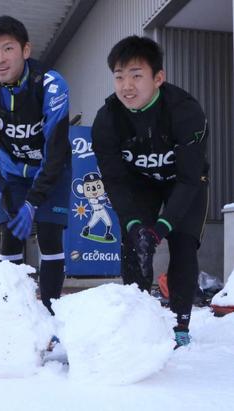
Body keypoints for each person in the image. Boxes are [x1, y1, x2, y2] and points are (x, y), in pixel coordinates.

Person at [92, 35, 209, 347]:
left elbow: (188, 179)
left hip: (182, 181)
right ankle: (137, 321)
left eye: (136, 75)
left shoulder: (185, 112)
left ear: (158, 77)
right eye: (119, 77)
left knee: (183, 243)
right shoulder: (106, 120)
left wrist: (161, 228)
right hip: (138, 182)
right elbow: (115, 180)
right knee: (133, 242)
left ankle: (180, 324)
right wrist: (135, 225)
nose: (126, 86)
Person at [0, 15, 71, 316]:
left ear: (26, 50)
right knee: (11, 240)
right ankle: (13, 318)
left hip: (51, 170)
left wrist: (35, 201)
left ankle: (51, 318)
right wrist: (0, 183)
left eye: (8, 49)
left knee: (49, 238)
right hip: (9, 174)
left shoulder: (50, 84)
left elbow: (57, 147)